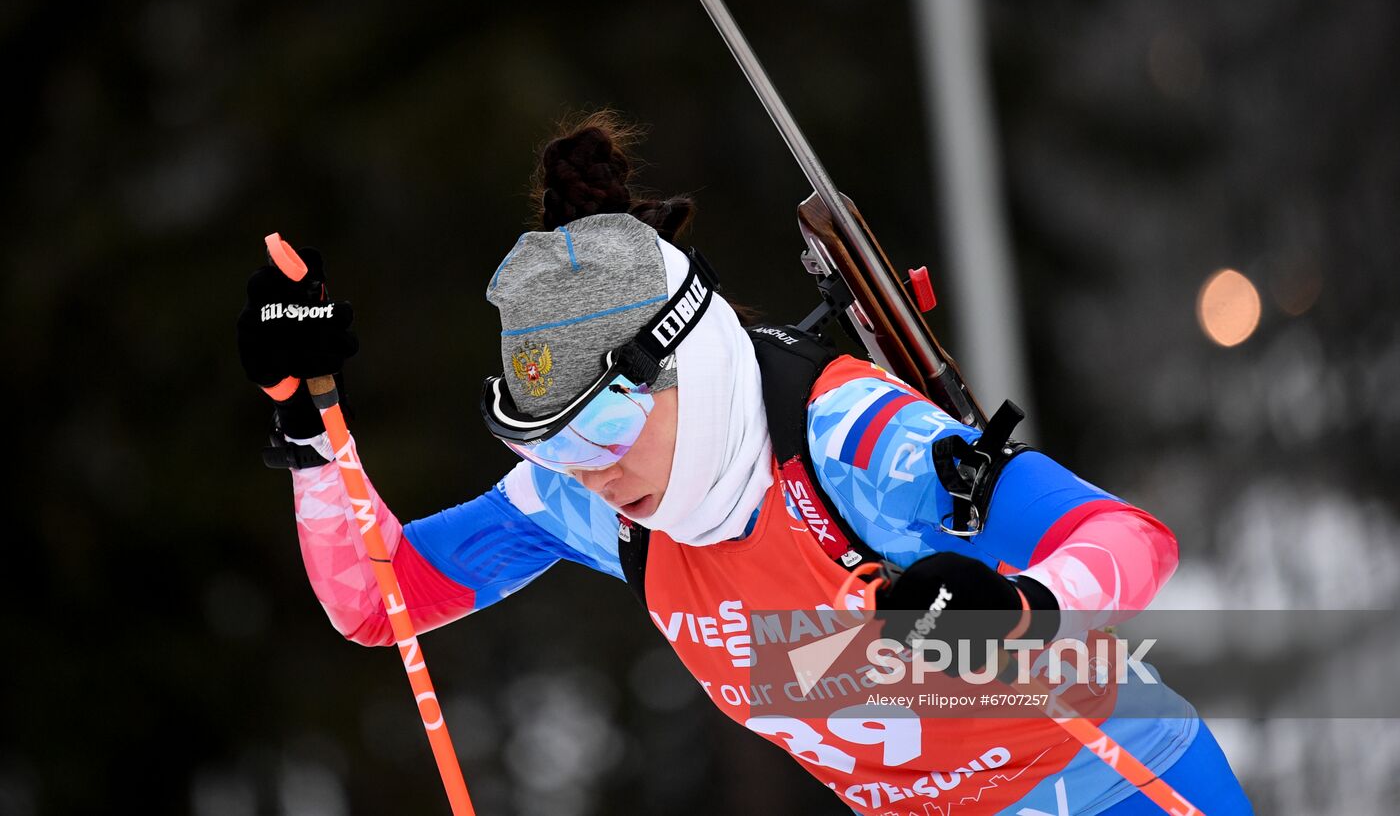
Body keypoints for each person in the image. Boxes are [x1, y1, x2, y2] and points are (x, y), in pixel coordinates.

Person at [238, 112, 1253, 815]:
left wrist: (1019, 610)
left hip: (1123, 785)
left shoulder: (853, 444)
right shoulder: (606, 506)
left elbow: (1124, 538)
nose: (581, 473)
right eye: (544, 446)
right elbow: (383, 602)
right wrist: (310, 434)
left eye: (597, 431)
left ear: (686, 364)